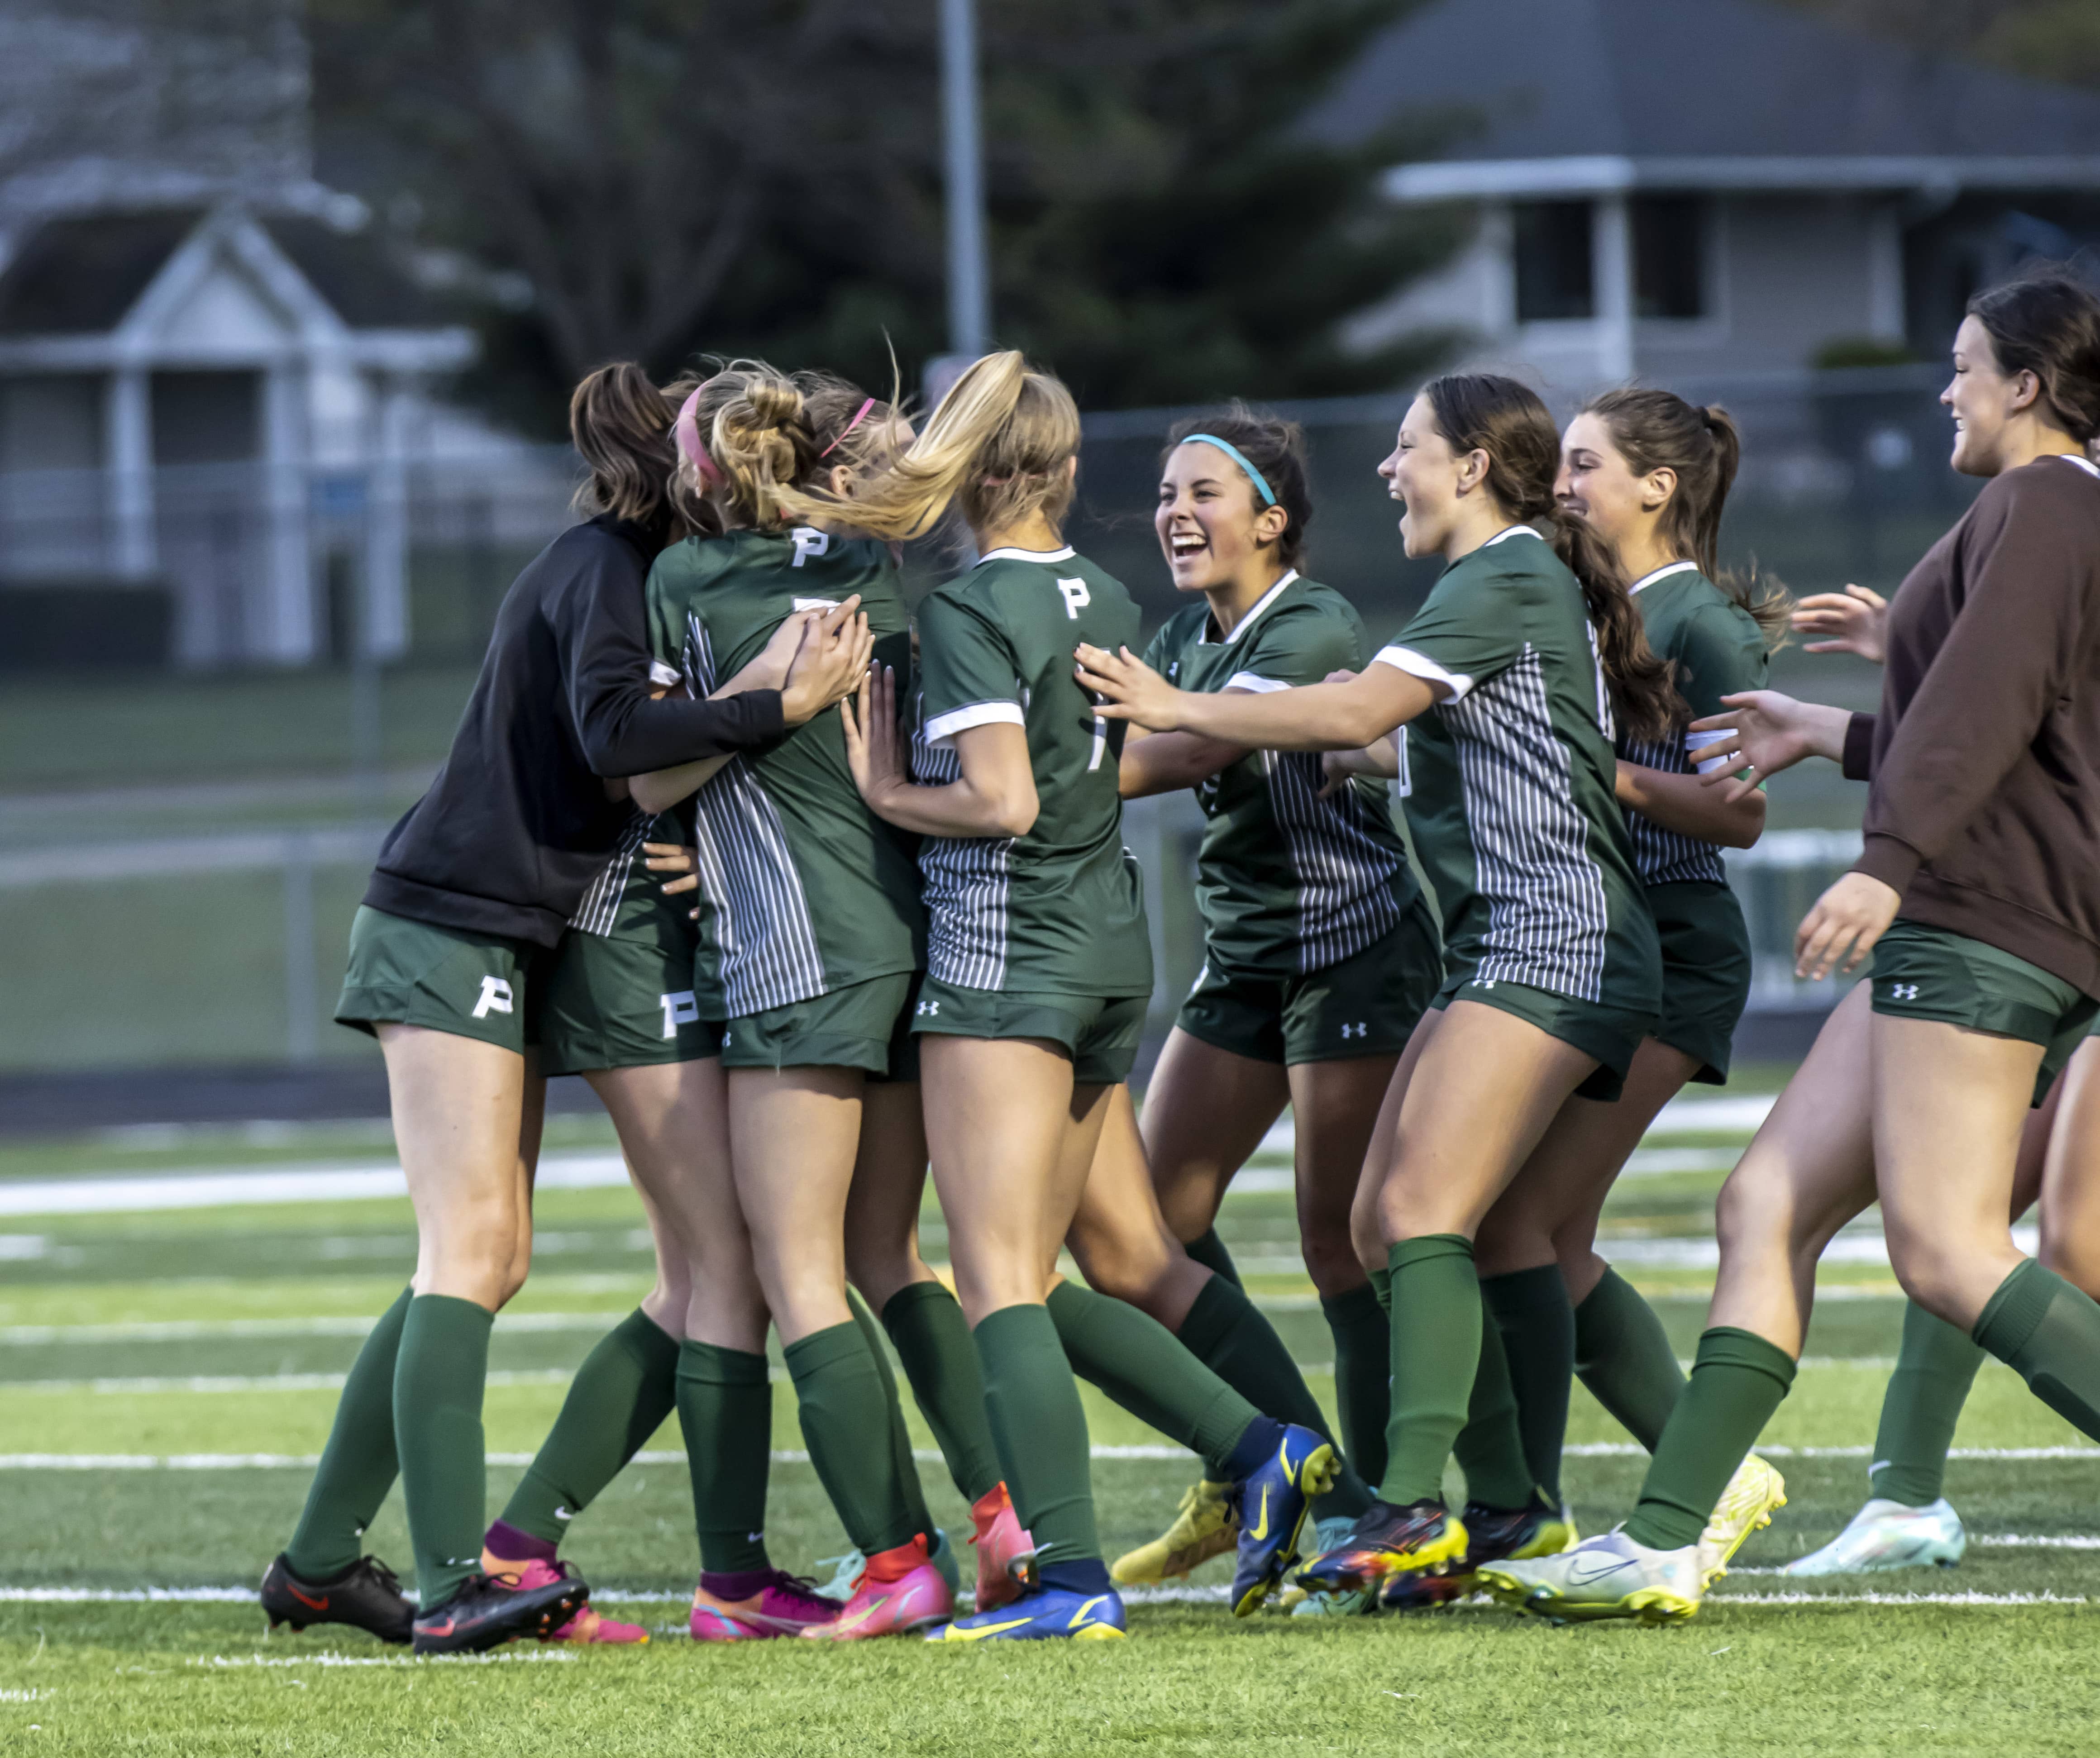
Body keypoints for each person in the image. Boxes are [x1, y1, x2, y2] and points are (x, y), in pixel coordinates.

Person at [1482, 269, 2100, 1623]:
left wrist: (1884, 865)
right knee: (1763, 1205)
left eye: (1962, 364)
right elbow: (2022, 727)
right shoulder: (2044, 514)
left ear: (2027, 385)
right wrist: (1832, 726)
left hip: (1981, 915)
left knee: (1946, 1250)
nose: (1945, 388)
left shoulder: (2045, 502)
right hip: (1981, 906)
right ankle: (1660, 1538)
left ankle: (1691, 1525)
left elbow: (1992, 717)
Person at [258, 362, 868, 1655]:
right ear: (695, 469)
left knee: (487, 1254)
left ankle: (320, 1563)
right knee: (471, 1251)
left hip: (517, 927)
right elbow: (610, 739)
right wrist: (776, 706)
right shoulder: (602, 562)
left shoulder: (639, 570)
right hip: (453, 915)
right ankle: (447, 1584)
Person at [1077, 371, 1675, 1604]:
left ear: (1468, 466)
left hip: (1516, 942)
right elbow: (1384, 732)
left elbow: (1343, 707)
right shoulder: (1477, 584)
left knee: (1415, 1224)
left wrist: (1170, 711)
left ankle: (1414, 1505)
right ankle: (1456, 1502)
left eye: (1406, 450)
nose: (1388, 471)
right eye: (1163, 494)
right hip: (1487, 945)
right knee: (1397, 1228)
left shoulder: (1497, 573)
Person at [814, 351, 1341, 1640]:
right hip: (1106, 953)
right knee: (1103, 1261)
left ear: (978, 467)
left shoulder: (969, 604)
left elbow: (1002, 801)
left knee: (1000, 1277)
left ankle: (1067, 1577)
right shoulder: (1101, 586)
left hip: (1012, 962)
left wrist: (888, 796)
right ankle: (1265, 1449)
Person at [635, 362, 1021, 1641]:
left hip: (791, 957)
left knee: (796, 1268)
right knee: (883, 1252)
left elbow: (646, 782)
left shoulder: (685, 581)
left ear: (702, 474)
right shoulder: (873, 573)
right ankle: (1004, 1509)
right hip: (905, 941)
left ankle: (895, 1561)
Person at [1062, 407, 1441, 1608]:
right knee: (1146, 1234)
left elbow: (1178, 757)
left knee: (1341, 1243)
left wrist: (1002, 782)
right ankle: (1273, 1465)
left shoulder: (1314, 622)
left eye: (1205, 494)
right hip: (1245, 962)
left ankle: (1388, 1511)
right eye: (1168, 493)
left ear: (1272, 522)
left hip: (1351, 955)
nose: (1176, 512)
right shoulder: (1182, 633)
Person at [1416, 388, 1791, 1599]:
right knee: (1520, 1229)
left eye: (1584, 466)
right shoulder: (1580, 602)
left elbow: (1740, 811)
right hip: (1595, 938)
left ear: (1656, 489)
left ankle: (1634, 1485)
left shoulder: (1702, 623)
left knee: (1516, 1227)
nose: (1561, 484)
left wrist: (1602, 775)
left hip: (1673, 948)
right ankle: (1659, 1476)